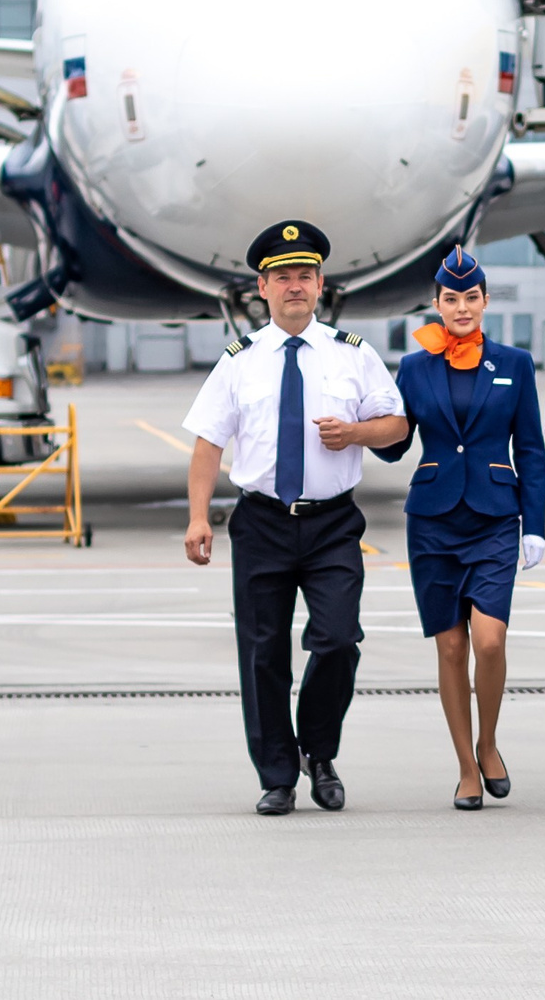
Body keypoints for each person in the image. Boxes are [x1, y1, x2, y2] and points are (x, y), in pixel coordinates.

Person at [183, 220, 409, 816]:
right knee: (262, 653)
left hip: (333, 522)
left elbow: (396, 426)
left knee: (338, 640)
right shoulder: (240, 361)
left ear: (320, 284)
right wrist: (198, 518)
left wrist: (356, 432)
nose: (294, 287)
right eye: (282, 277)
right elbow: (208, 443)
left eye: (304, 276)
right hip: (260, 522)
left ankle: (320, 749)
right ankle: (277, 776)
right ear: (262, 287)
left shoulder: (351, 355)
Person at [385, 245, 545, 811]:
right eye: (450, 299)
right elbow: (395, 443)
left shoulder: (515, 364)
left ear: (484, 302)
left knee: (490, 639)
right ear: (435, 304)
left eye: (470, 298)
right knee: (451, 648)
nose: (461, 307)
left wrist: (535, 523)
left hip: (495, 516)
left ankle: (489, 740)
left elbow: (530, 445)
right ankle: (465, 767)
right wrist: (357, 427)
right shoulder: (414, 366)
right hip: (431, 517)